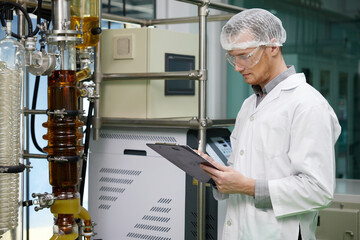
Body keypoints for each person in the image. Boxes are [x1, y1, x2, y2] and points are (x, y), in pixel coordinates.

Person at [199, 8, 341, 240]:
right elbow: (244, 169)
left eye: (245, 56)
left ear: (273, 47)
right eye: (233, 57)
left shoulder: (307, 104)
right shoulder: (249, 105)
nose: (237, 66)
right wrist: (219, 174)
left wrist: (248, 186)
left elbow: (319, 191)